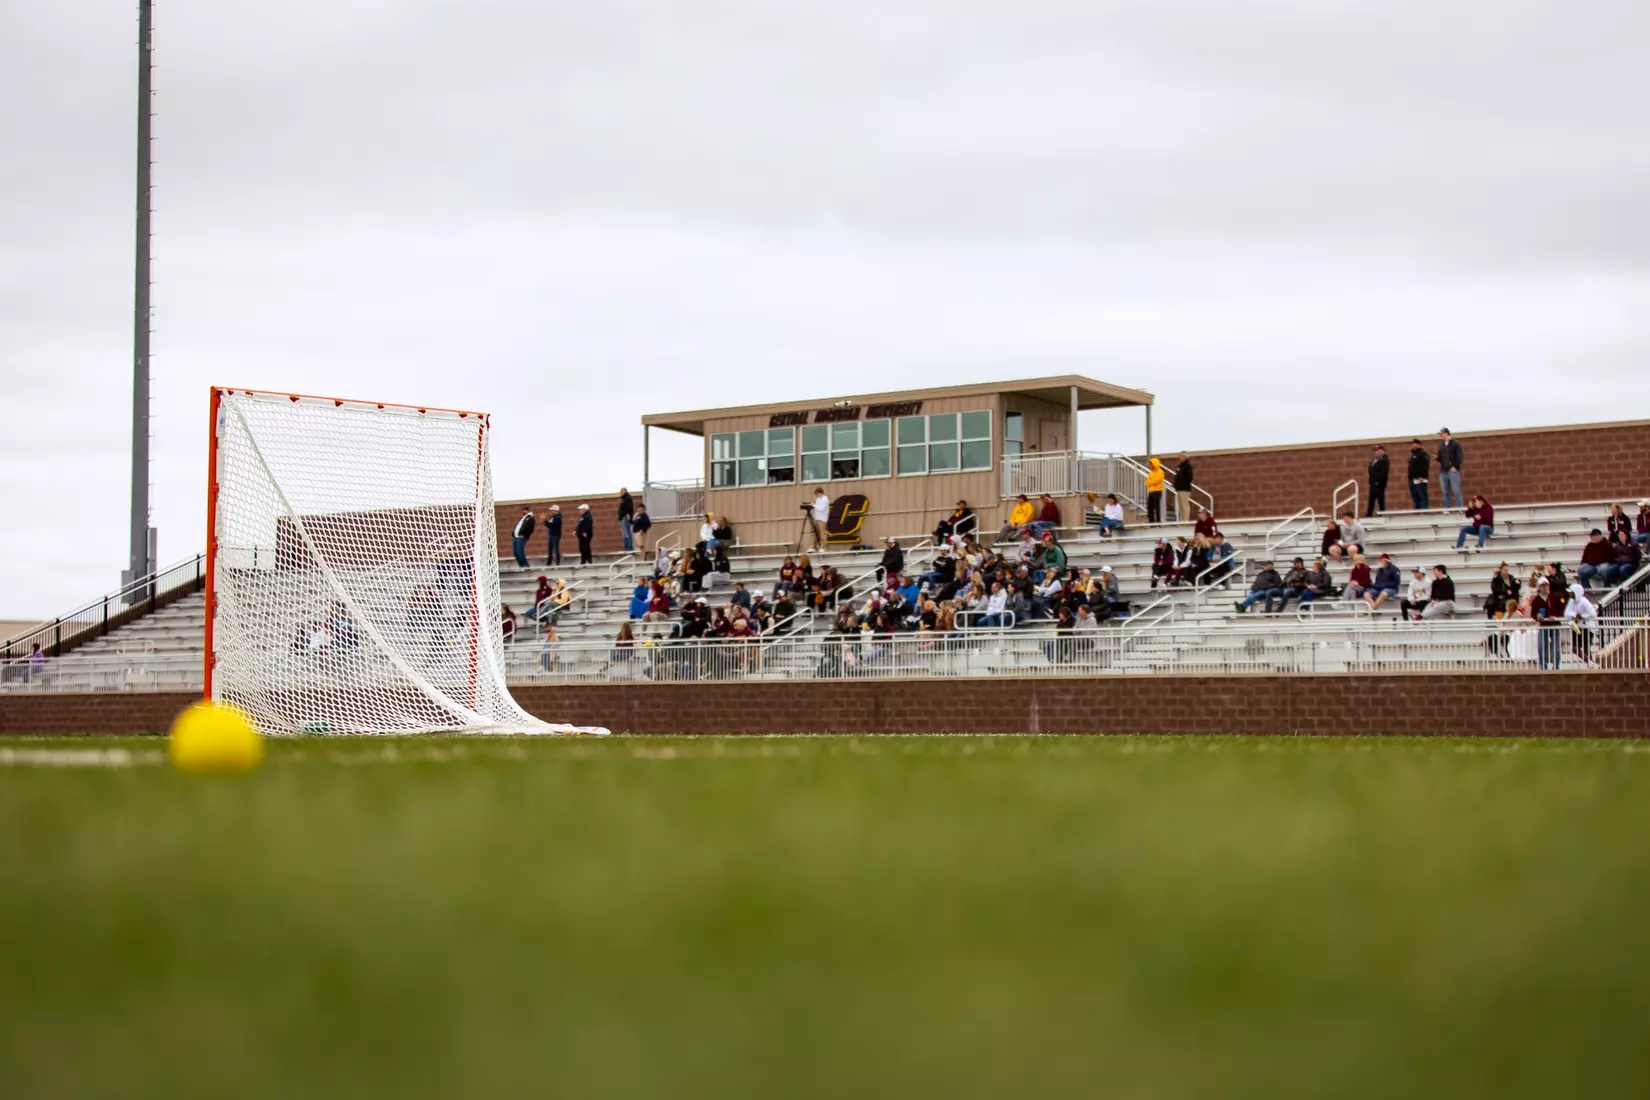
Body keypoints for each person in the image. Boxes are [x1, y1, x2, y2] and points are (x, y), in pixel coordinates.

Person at [1564, 583, 1599, 663]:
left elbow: (1593, 614)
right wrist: (1574, 615)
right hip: (1576, 627)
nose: (1569, 594)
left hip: (1587, 627)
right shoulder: (1571, 601)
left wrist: (1582, 617)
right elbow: (1566, 614)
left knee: (1586, 649)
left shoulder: (1584, 601)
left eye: (1571, 592)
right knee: (1574, 648)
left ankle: (1591, 664)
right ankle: (1590, 663)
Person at [1436, 428, 1464, 511]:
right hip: (1443, 471)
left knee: (1456, 490)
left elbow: (1460, 456)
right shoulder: (1441, 446)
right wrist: (1437, 458)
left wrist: (1455, 466)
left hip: (1453, 471)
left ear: (1446, 433)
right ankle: (1447, 509)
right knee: (1445, 492)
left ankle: (1460, 508)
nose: (1440, 436)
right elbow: (1441, 458)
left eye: (1441, 434)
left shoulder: (1455, 444)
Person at [1407, 439, 1431, 510]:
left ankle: (1424, 511)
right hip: (1412, 479)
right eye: (1412, 444)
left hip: (1420, 479)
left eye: (1414, 444)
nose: (1413, 445)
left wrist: (1422, 477)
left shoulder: (1423, 454)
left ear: (1419, 445)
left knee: (1422, 496)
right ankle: (1418, 511)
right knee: (1415, 497)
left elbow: (1425, 466)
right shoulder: (1412, 454)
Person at [1366, 444, 1389, 516]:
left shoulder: (1384, 460)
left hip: (1379, 484)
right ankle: (1369, 514)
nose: (1376, 452)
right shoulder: (1374, 460)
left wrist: (1378, 482)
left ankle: (1382, 513)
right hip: (1372, 483)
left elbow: (1384, 472)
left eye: (1378, 450)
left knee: (1380, 500)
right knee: (1371, 500)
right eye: (1375, 451)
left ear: (1382, 451)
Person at [1145, 457, 1165, 523]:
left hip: (1157, 491)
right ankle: (1151, 522)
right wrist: (1150, 482)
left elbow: (1156, 481)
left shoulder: (1161, 472)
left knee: (1157, 508)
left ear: (1154, 464)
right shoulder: (1151, 473)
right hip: (1151, 491)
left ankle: (1158, 521)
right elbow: (1147, 481)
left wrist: (1150, 482)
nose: (1150, 466)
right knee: (1149, 507)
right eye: (1150, 464)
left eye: (1151, 464)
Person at [617, 488, 635, 552]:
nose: (620, 492)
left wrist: (628, 514)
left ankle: (629, 548)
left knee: (627, 533)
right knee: (625, 533)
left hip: (625, 517)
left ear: (625, 491)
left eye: (621, 491)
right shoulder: (624, 498)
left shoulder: (627, 498)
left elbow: (629, 507)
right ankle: (626, 547)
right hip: (623, 517)